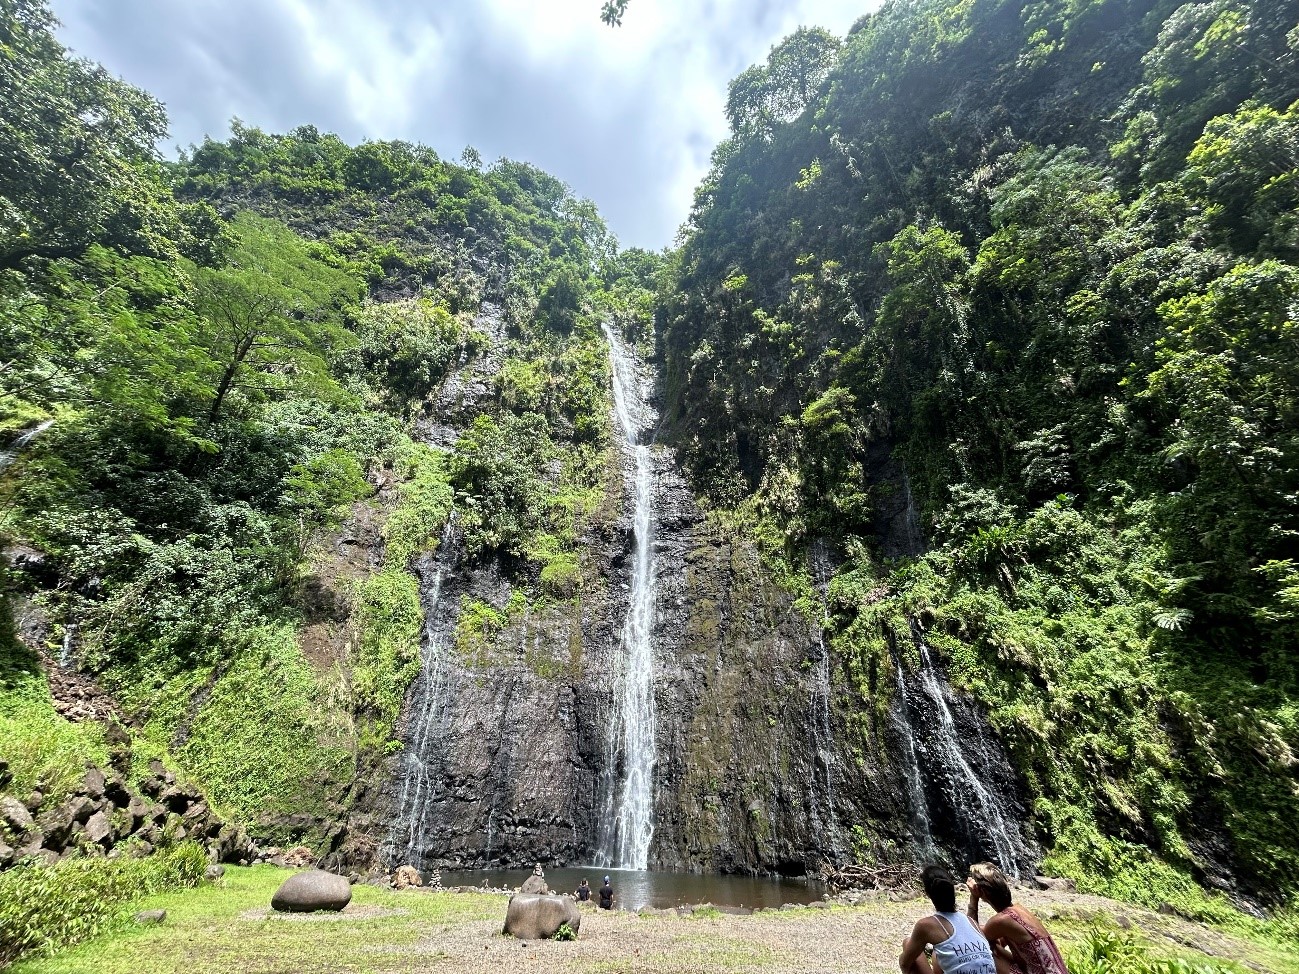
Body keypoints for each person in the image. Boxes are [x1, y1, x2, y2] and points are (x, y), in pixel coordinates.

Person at [965, 863, 1069, 974]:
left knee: (982, 949)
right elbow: (999, 940)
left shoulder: (1002, 920)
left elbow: (971, 937)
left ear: (982, 891)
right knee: (991, 944)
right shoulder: (1017, 910)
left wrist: (974, 898)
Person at [900, 864, 997, 974]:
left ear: (927, 893)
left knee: (908, 943)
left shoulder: (926, 925)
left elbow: (904, 963)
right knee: (938, 953)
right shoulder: (971, 922)